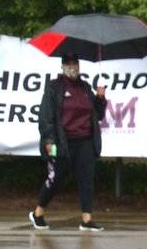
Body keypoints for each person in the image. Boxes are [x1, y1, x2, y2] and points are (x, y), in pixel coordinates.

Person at [30, 54, 107, 232]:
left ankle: (86, 220)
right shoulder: (54, 87)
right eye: (69, 64)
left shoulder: (85, 87)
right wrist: (48, 140)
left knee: (87, 179)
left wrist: (100, 99)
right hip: (62, 142)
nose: (72, 67)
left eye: (75, 64)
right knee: (55, 179)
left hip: (85, 141)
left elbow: (98, 115)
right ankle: (38, 212)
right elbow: (46, 116)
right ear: (63, 66)